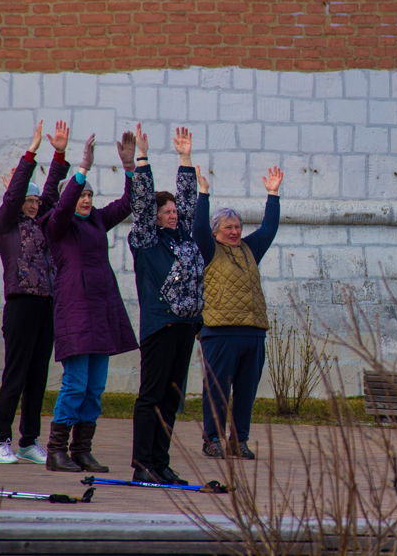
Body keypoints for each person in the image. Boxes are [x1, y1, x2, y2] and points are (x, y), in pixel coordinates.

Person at [42, 131, 138, 473]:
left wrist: (129, 167)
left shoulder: (97, 219)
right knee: (75, 384)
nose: (86, 200)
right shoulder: (57, 225)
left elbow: (128, 204)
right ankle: (56, 451)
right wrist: (82, 167)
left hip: (102, 310)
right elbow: (63, 205)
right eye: (82, 194)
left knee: (95, 388)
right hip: (75, 311)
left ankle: (82, 449)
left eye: (90, 195)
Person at [0, 120, 71, 465]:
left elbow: (52, 191)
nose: (35, 205)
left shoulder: (41, 222)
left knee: (37, 377)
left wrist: (60, 154)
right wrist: (32, 152)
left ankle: (28, 440)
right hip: (20, 304)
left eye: (38, 201)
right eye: (30, 200)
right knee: (16, 373)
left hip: (45, 304)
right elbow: (14, 195)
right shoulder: (6, 223)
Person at [128, 125, 205, 485]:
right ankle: (142, 462)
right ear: (155, 217)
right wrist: (142, 160)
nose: (174, 214)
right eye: (167, 210)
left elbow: (190, 203)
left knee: (171, 400)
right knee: (152, 396)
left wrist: (185, 159)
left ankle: (160, 462)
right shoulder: (146, 241)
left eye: (175, 210)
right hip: (161, 326)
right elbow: (142, 202)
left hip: (186, 326)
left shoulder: (184, 238)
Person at [193, 163, 283, 462]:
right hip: (220, 332)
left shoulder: (249, 248)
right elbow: (198, 228)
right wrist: (203, 195)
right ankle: (212, 439)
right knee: (217, 390)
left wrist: (273, 195)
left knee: (245, 394)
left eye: (237, 227)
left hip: (253, 333)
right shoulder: (208, 249)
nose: (234, 232)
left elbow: (269, 229)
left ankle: (238, 440)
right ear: (217, 231)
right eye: (228, 228)